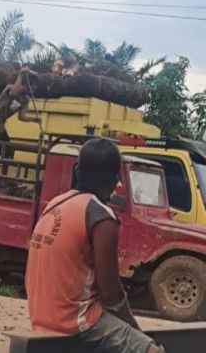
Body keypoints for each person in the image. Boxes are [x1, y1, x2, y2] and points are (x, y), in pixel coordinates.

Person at [25, 139, 163, 353]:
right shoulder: (100, 216)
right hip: (75, 323)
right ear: (116, 178)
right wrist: (136, 330)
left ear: (78, 170)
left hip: (40, 318)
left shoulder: (55, 204)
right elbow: (111, 294)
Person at [0, 65, 41, 163]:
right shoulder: (10, 88)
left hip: (0, 126)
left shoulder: (25, 99)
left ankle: (3, 176)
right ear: (26, 84)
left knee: (8, 150)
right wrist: (21, 75)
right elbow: (14, 92)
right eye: (31, 86)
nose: (32, 90)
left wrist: (34, 119)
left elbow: (21, 117)